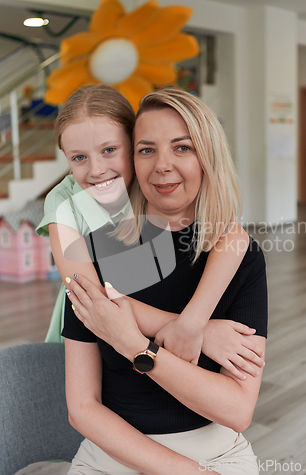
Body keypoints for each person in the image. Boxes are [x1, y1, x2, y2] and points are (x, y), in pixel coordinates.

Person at [61, 87, 268, 474]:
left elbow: (237, 411)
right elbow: (82, 408)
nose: (162, 165)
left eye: (182, 147)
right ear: (132, 159)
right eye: (146, 149)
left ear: (208, 157)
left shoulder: (242, 257)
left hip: (218, 454)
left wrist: (137, 347)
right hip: (111, 455)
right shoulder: (90, 253)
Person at [37, 84, 265, 378]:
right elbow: (88, 295)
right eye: (79, 158)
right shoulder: (64, 202)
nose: (96, 170)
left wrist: (192, 322)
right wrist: (200, 330)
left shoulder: (148, 182)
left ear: (133, 147)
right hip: (86, 326)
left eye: (109, 150)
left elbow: (233, 234)